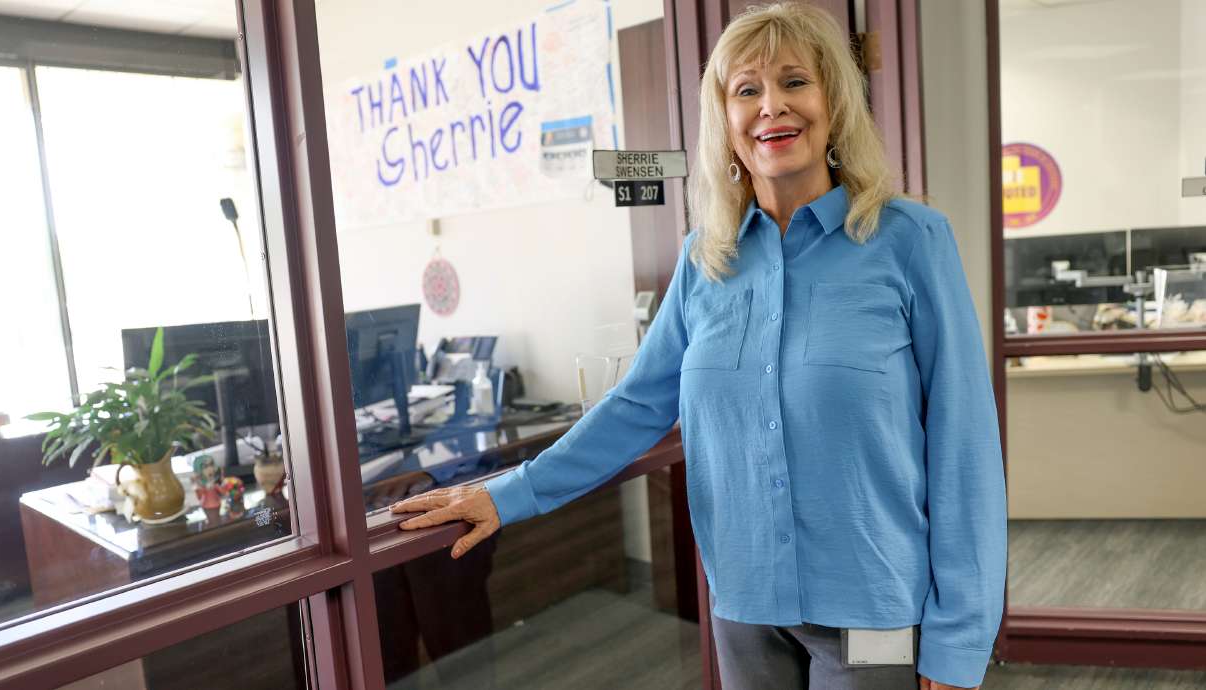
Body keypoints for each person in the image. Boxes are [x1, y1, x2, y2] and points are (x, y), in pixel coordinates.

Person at [389, 3, 1007, 689]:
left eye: (795, 82)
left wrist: (957, 643)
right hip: (744, 607)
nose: (772, 107)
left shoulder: (909, 240)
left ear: (833, 102)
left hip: (874, 610)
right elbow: (636, 408)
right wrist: (507, 495)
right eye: (747, 90)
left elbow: (965, 447)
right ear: (727, 124)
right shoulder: (703, 260)